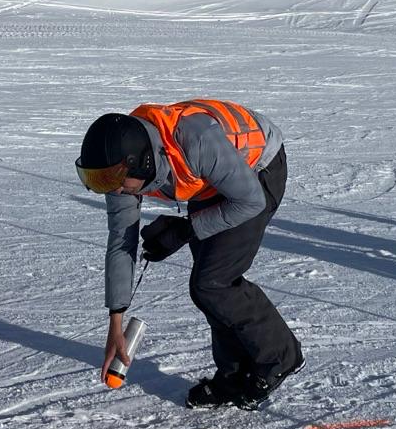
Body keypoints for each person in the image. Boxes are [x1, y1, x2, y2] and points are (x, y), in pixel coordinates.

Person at [76, 100, 302, 410]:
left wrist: (186, 229)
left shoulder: (195, 141)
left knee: (213, 282)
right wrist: (116, 322)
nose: (113, 191)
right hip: (211, 180)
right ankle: (233, 375)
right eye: (100, 182)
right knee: (208, 281)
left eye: (113, 181)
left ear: (141, 162)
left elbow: (250, 201)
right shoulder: (119, 171)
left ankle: (281, 357)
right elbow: (121, 241)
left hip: (258, 168)